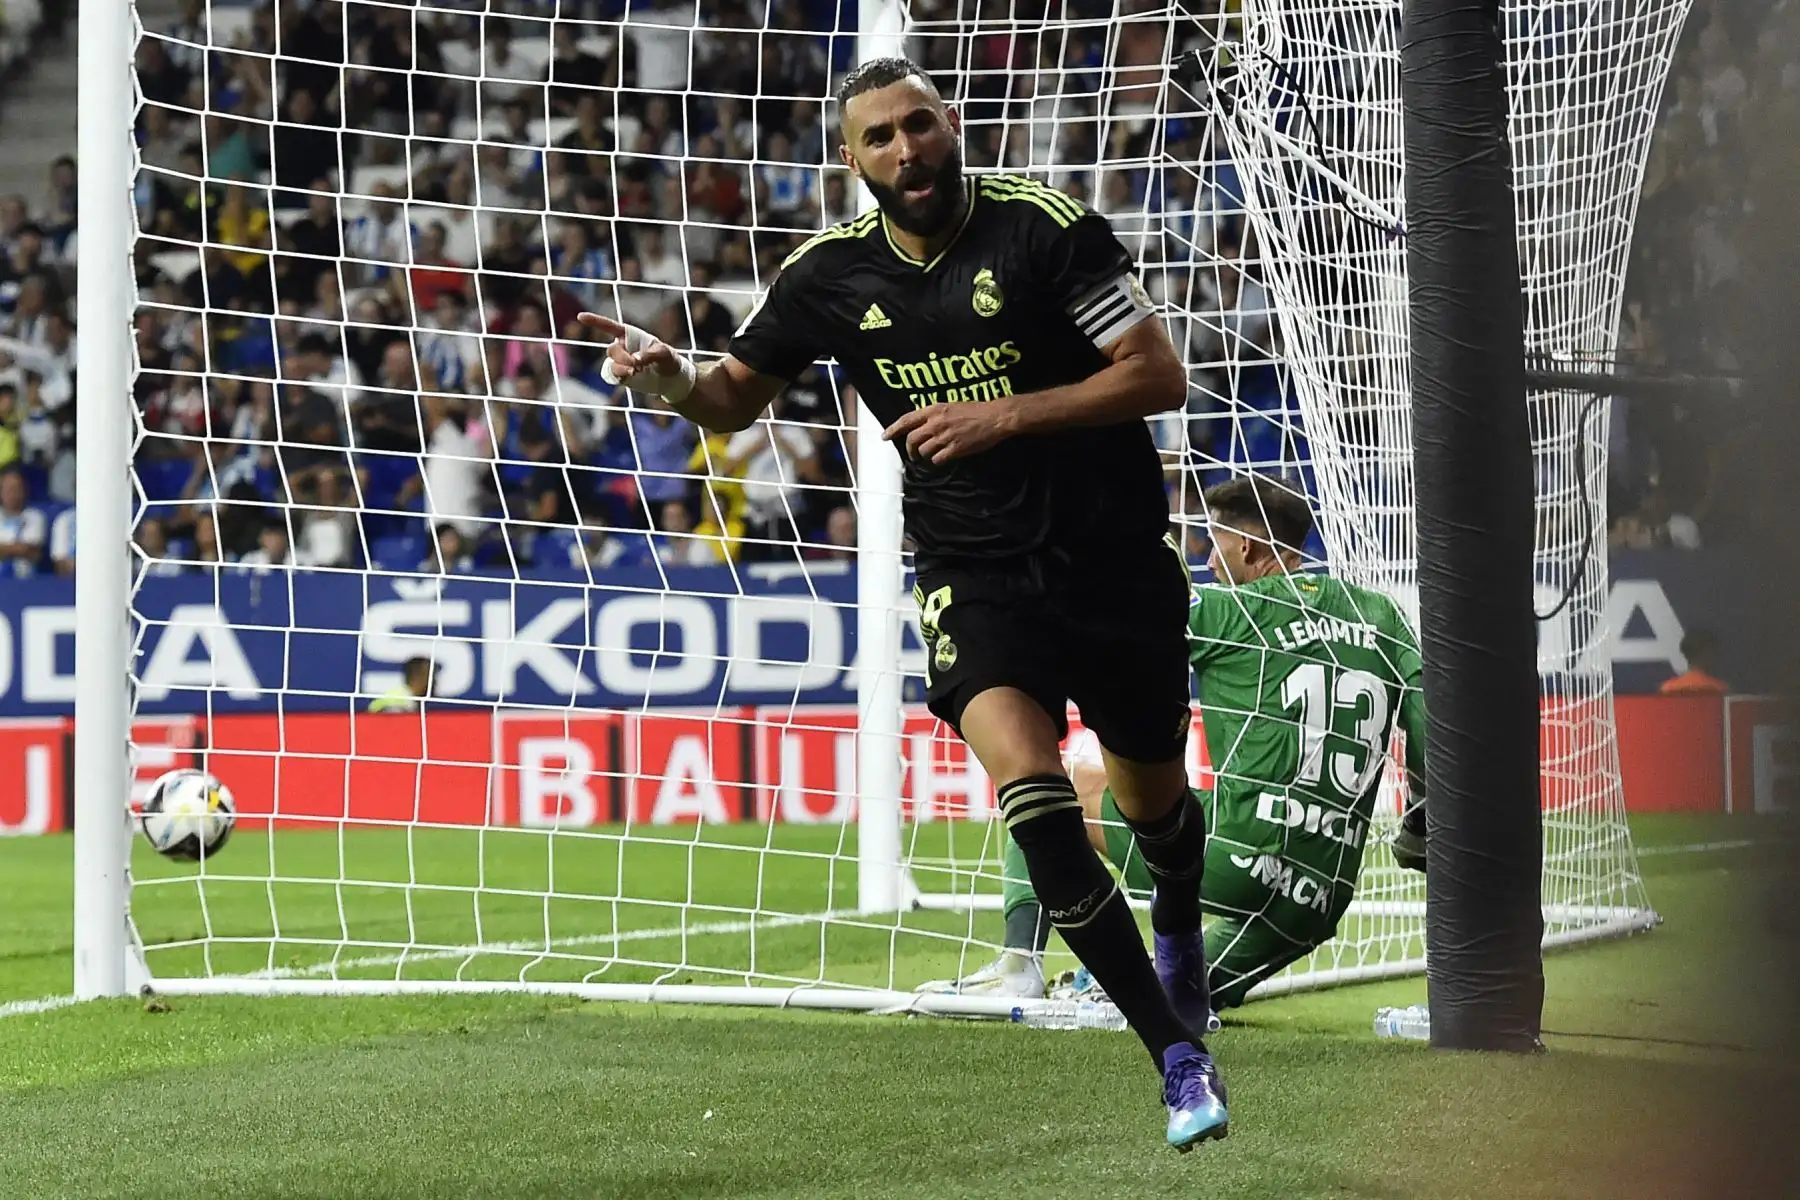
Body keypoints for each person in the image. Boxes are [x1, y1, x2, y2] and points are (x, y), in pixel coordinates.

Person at [575, 57, 1227, 1149]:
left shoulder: (1046, 230)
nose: (905, 150)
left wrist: (1000, 416)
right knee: (1032, 794)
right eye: (878, 137)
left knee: (1155, 806)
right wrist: (670, 380)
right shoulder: (827, 273)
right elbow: (733, 397)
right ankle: (1173, 1053)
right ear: (850, 158)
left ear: (950, 124)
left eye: (918, 125)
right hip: (974, 573)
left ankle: (1178, 915)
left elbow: (1158, 376)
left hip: (1113, 563)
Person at [925, 478, 1431, 1011]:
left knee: (1049, 783)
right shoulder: (1382, 616)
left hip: (1233, 858)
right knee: (1167, 996)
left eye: (1215, 543)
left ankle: (1018, 966)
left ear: (1247, 547)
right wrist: (1418, 820)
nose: (1210, 560)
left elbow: (1111, 633)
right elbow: (1428, 737)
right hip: (1321, 897)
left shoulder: (1229, 614)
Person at [1661, 629, 1729, 695]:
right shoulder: (1720, 688)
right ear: (1705, 653)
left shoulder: (1668, 688)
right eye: (1713, 651)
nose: (1716, 655)